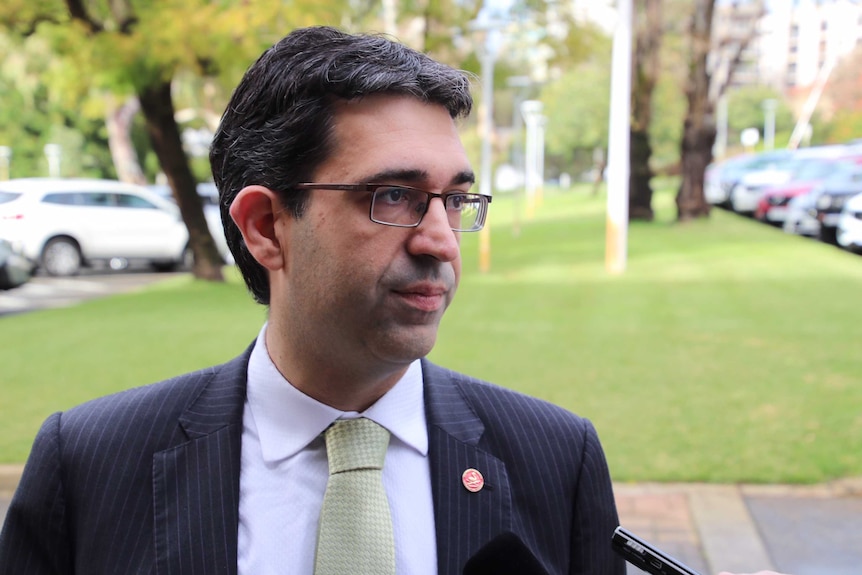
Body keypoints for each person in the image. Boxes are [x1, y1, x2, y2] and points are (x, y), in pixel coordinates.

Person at [0, 26, 792, 575]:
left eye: (455, 198)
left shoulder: (556, 458)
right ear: (265, 225)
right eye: (392, 196)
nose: (440, 240)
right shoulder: (92, 463)